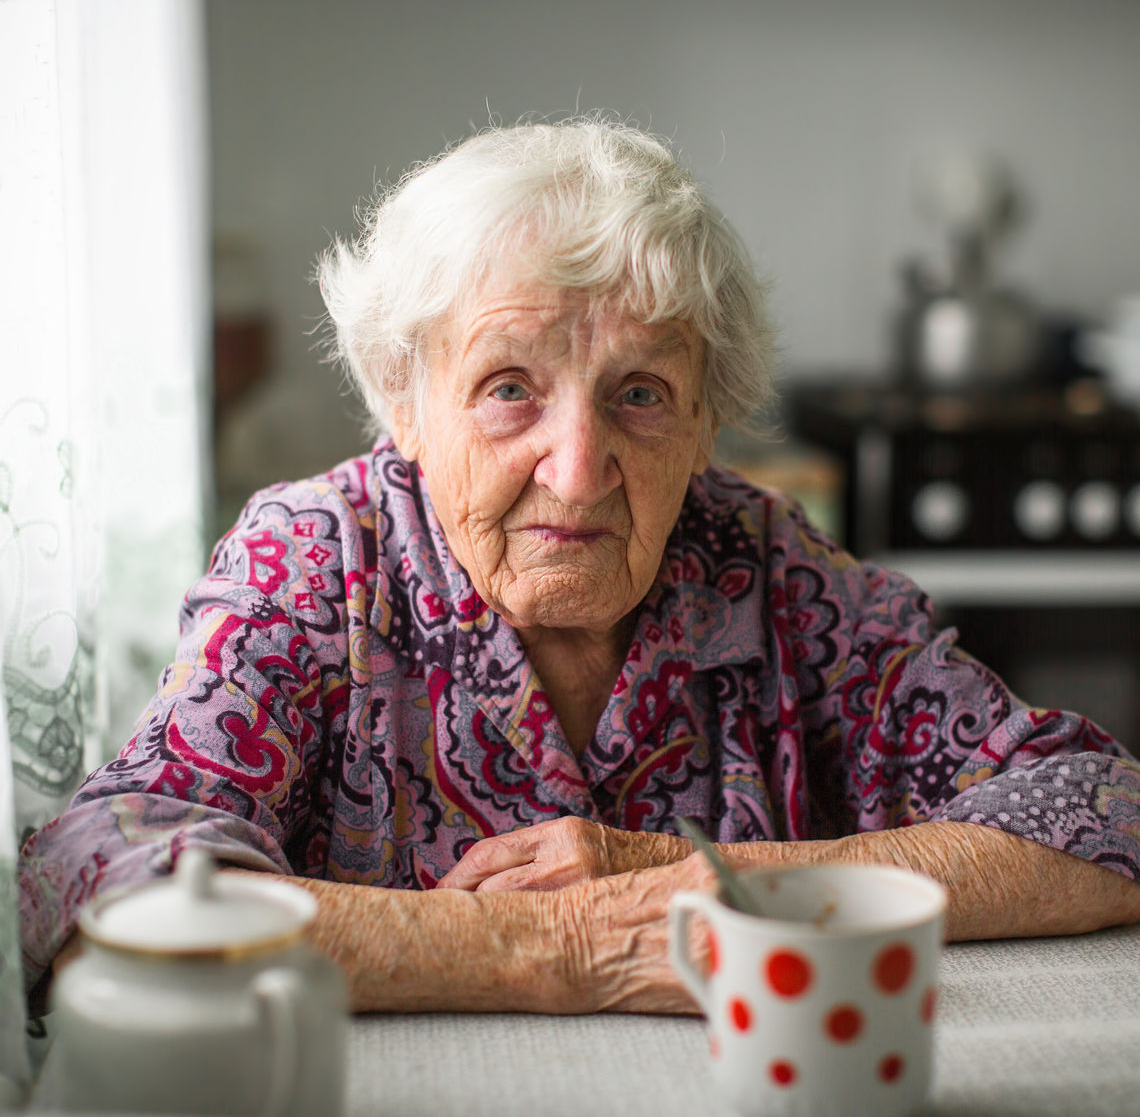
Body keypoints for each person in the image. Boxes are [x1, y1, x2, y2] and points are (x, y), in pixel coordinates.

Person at [20, 117, 1140, 1015]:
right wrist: (546, 945)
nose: (578, 466)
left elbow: (1104, 813)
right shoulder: (319, 557)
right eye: (510, 386)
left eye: (640, 394)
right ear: (405, 402)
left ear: (707, 421)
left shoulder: (768, 567)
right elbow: (101, 880)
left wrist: (743, 882)